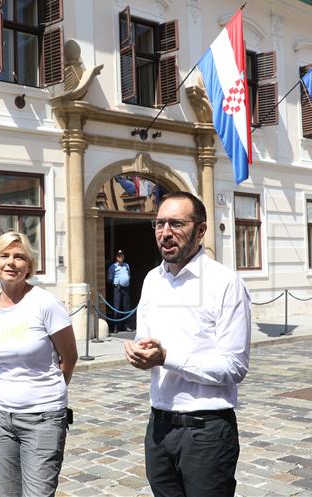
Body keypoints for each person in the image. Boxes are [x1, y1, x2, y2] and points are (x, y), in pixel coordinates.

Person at [123, 191, 252, 497]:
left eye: (176, 224)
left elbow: (234, 368)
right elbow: (147, 342)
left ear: (201, 230)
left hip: (206, 432)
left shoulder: (225, 283)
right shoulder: (152, 280)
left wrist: (166, 356)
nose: (165, 233)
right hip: (158, 427)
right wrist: (139, 354)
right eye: (159, 224)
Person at [0, 231, 78, 497]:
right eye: (4, 255)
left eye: (19, 257)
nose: (11, 262)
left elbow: (69, 358)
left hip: (43, 418)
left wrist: (48, 392)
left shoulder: (45, 304)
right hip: (0, 419)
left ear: (29, 266)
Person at [106, 249, 132, 333]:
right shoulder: (113, 267)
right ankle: (115, 327)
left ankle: (126, 325)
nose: (121, 257)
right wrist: (116, 284)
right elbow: (109, 279)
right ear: (116, 257)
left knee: (126, 307)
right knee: (116, 308)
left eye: (122, 255)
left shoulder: (126, 265)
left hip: (126, 288)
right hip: (117, 289)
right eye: (119, 256)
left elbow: (129, 275)